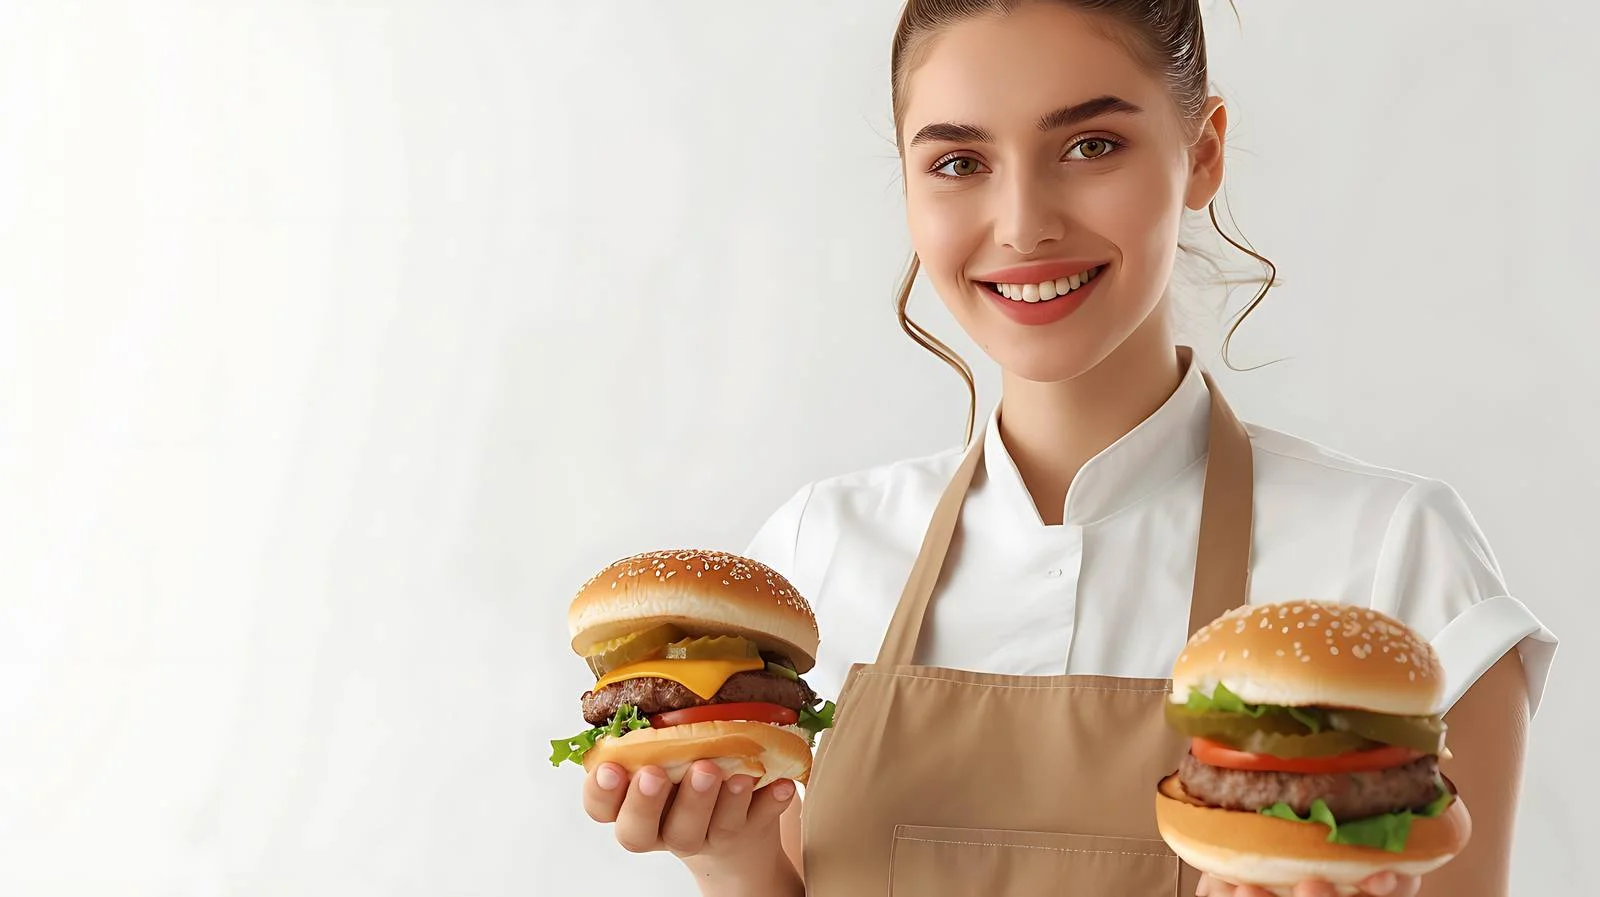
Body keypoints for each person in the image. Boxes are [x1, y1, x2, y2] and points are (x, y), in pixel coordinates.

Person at [576, 2, 1558, 895]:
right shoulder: (816, 552)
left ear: (1203, 151)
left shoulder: (1395, 558)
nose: (1022, 224)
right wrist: (731, 856)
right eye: (958, 163)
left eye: (1090, 145)